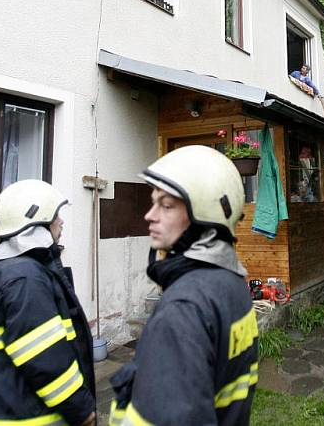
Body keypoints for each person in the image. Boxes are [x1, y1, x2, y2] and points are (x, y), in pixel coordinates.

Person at [109, 145, 258, 425]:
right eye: (154, 203)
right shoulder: (231, 282)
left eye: (166, 205)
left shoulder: (183, 309)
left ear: (205, 218)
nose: (149, 215)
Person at [0, 180, 96, 426]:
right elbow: (44, 356)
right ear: (38, 220)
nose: (62, 222)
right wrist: (81, 409)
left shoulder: (11, 269)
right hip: (24, 417)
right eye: (57, 215)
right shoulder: (24, 277)